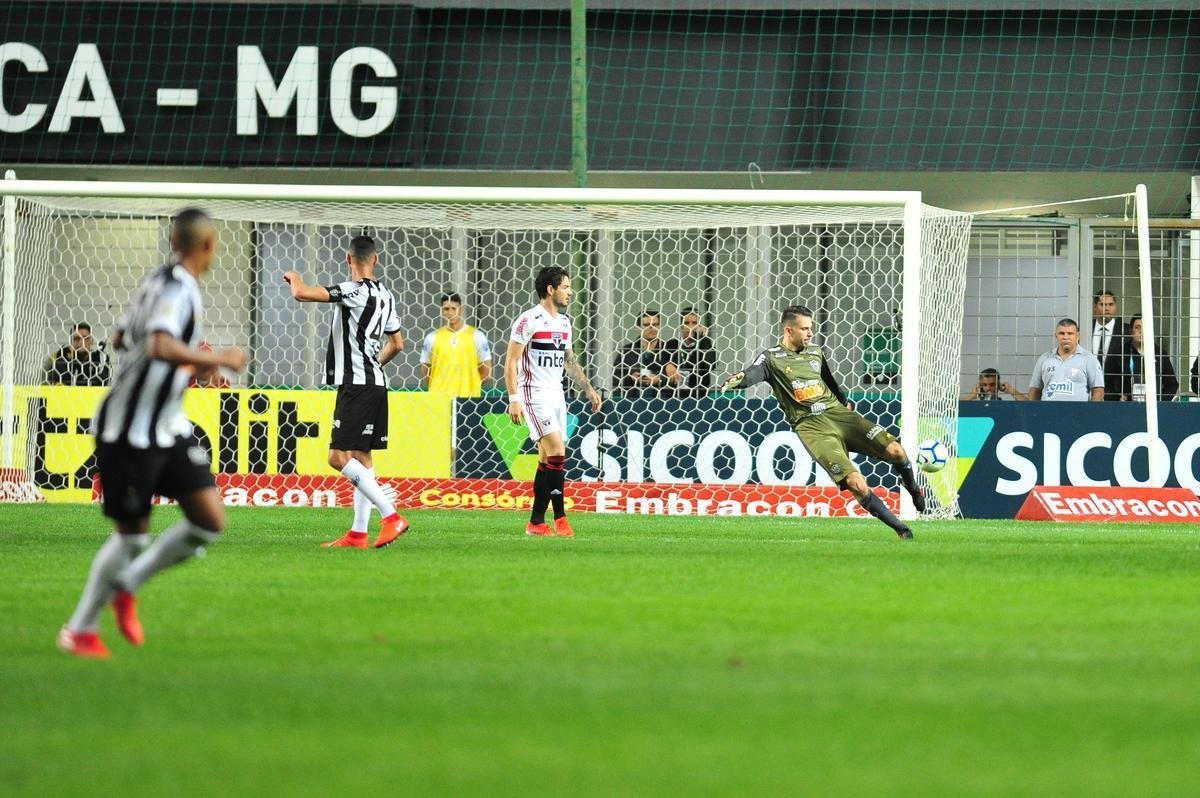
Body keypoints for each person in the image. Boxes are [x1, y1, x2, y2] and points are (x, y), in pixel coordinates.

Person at [58, 208, 249, 658]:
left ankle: (127, 585)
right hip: (128, 429)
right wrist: (214, 357)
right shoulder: (178, 288)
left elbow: (121, 336)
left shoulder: (156, 282)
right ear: (206, 245)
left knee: (209, 521)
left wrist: (178, 367)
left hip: (167, 425)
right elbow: (159, 344)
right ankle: (81, 629)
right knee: (133, 536)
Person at [721, 305, 924, 540]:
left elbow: (829, 381)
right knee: (855, 482)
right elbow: (754, 373)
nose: (810, 333)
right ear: (789, 330)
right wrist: (740, 379)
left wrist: (844, 402)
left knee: (896, 451)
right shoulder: (771, 358)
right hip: (812, 427)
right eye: (805, 329)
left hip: (839, 414)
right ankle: (902, 530)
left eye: (811, 328)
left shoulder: (815, 352)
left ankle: (914, 490)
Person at [283, 235, 409, 549]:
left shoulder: (353, 290)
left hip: (356, 386)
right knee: (362, 458)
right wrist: (372, 366)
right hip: (376, 383)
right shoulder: (386, 295)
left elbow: (301, 293)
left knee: (338, 457)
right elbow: (397, 344)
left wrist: (294, 276)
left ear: (347, 258)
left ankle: (391, 516)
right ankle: (357, 534)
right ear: (376, 260)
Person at [505, 265, 603, 538]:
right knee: (558, 451)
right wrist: (514, 398)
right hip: (533, 393)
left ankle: (536, 522)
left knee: (547, 458)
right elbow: (511, 360)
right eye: (566, 287)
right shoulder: (529, 320)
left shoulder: (563, 322)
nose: (570, 292)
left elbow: (569, 360)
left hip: (556, 394)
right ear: (551, 289)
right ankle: (561, 518)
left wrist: (588, 388)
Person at [419, 292, 493, 397]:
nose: (450, 312)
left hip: (468, 399)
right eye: (446, 309)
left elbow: (486, 372)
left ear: (461, 310)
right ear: (442, 311)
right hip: (439, 399)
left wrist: (470, 386)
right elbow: (426, 370)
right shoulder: (432, 337)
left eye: (454, 308)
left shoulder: (477, 336)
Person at [1102, 315, 1179, 401]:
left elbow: (1172, 385)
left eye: (1145, 327)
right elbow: (1106, 383)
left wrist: (1158, 400)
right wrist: (1116, 398)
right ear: (1131, 331)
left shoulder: (1160, 354)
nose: (1141, 331)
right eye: (1137, 327)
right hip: (1126, 407)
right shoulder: (1119, 353)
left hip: (1152, 407)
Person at [1028, 318, 1104, 401]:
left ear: (1077, 336)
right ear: (1056, 335)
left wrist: (1091, 412)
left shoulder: (1089, 359)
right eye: (1061, 333)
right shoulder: (1044, 358)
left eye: (1070, 333)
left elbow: (1098, 390)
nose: (1065, 337)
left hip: (1079, 412)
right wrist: (1033, 412)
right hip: (1048, 412)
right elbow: (1035, 390)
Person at [614, 309, 671, 397]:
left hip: (663, 402)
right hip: (632, 402)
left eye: (655, 324)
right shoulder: (627, 351)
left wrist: (660, 379)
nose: (652, 328)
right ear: (638, 327)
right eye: (646, 325)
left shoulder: (669, 350)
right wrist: (630, 378)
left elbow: (682, 379)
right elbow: (615, 379)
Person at [663, 307, 716, 398]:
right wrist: (667, 364)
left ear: (700, 325)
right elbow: (660, 362)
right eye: (687, 323)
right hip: (673, 396)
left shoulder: (705, 345)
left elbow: (710, 365)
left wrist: (704, 338)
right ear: (681, 325)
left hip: (698, 397)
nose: (690, 327)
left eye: (694, 323)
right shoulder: (671, 344)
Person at [44, 322, 110, 386]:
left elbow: (102, 381)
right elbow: (58, 377)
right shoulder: (61, 355)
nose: (81, 342)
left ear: (91, 341)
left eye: (85, 338)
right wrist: (65, 353)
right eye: (76, 338)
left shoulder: (101, 357)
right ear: (71, 342)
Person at [1091, 290, 1126, 398]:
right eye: (1102, 304)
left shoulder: (1126, 331)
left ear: (1116, 306)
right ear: (1095, 306)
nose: (1107, 308)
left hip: (1117, 394)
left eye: (1110, 304)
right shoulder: (1085, 328)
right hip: (1088, 391)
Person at [961, 368, 1027, 401]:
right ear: (980, 385)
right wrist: (972, 395)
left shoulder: (1003, 405)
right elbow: (953, 411)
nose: (988, 388)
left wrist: (1011, 391)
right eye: (984, 385)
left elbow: (1030, 406)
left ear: (998, 385)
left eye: (992, 385)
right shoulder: (974, 406)